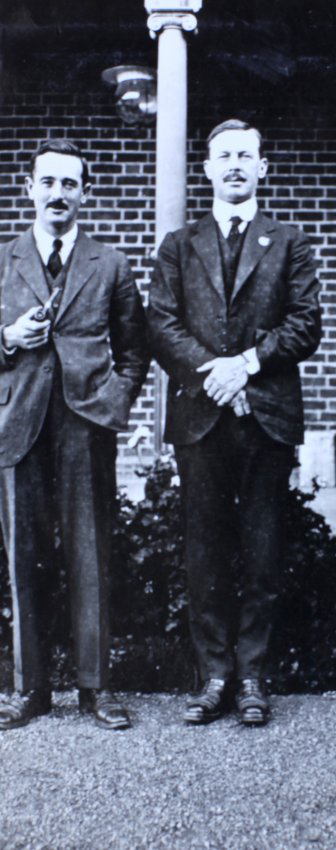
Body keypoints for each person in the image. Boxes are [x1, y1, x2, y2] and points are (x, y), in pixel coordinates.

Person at [148, 119, 321, 726]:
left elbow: (306, 323)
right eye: (224, 157)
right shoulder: (178, 244)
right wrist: (213, 375)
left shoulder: (290, 242)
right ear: (207, 168)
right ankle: (214, 674)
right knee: (205, 550)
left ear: (262, 167)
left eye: (247, 155)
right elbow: (161, 325)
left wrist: (245, 365)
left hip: (267, 417)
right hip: (201, 419)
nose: (235, 166)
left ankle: (253, 676)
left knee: (263, 548)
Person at [0, 139, 148, 730]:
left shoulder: (108, 264)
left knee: (90, 553)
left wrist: (110, 404)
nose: (58, 194)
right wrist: (8, 337)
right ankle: (29, 689)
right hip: (18, 425)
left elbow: (135, 353)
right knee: (22, 556)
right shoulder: (4, 258)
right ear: (28, 188)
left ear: (85, 192)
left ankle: (96, 688)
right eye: (48, 182)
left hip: (84, 426)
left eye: (69, 184)